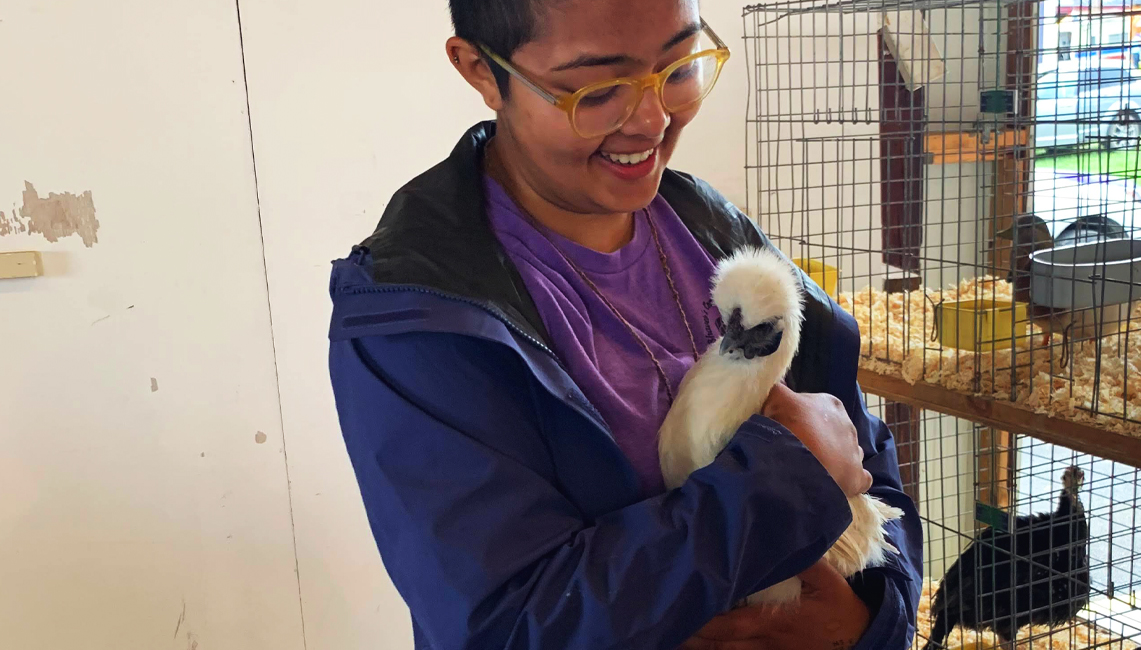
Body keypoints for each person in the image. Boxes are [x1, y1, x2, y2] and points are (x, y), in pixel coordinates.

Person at [328, 1, 922, 648]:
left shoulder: (716, 233)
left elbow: (870, 474)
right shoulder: (421, 312)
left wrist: (868, 625)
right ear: (480, 69)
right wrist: (786, 482)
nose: (652, 118)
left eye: (678, 65)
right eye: (598, 87)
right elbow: (507, 624)